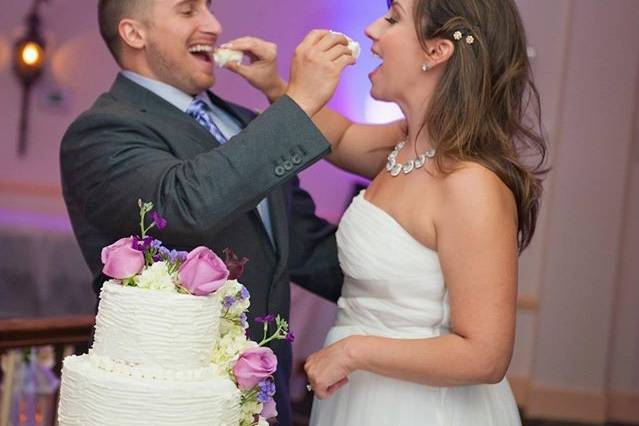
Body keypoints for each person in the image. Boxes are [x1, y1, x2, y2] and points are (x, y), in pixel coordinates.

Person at [59, 1, 405, 425]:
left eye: (209, 7)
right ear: (135, 34)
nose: (214, 24)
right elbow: (183, 204)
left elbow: (305, 248)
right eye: (188, 11)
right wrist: (298, 100)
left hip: (261, 401)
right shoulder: (101, 131)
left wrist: (417, 291)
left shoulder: (242, 122)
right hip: (173, 408)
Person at [288, 0, 546, 423]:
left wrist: (354, 351)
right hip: (359, 395)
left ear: (436, 51)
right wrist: (280, 89)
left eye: (391, 19)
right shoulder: (403, 147)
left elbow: (485, 355)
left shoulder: (469, 184)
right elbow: (338, 135)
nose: (371, 30)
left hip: (421, 407)